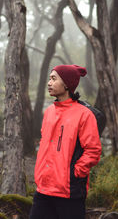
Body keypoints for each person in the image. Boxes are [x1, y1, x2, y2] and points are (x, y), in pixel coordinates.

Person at [29, 64, 102, 219]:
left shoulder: (84, 115)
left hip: (69, 192)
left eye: (54, 79)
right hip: (43, 189)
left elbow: (93, 150)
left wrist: (75, 173)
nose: (49, 83)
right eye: (49, 79)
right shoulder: (49, 112)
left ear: (67, 84)